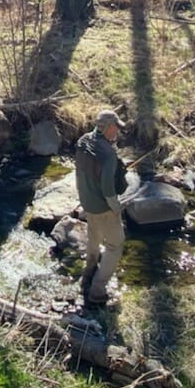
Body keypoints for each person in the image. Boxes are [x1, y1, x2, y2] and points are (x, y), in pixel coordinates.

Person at [74, 109, 127, 305]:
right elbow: (107, 186)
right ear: (107, 127)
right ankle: (97, 290)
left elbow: (80, 173)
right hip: (103, 207)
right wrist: (116, 207)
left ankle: (88, 274)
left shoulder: (83, 141)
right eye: (115, 128)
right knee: (115, 245)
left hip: (87, 204)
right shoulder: (108, 154)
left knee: (94, 239)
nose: (117, 132)